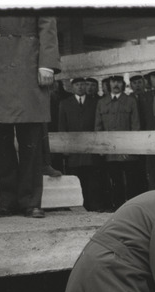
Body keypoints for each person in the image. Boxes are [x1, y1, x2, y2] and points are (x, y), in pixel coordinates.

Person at [0, 16, 61, 218]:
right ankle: (7, 201)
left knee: (30, 137)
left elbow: (47, 20)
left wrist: (47, 63)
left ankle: (31, 202)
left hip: (27, 61)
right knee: (0, 139)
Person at [58, 77, 109, 211]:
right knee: (76, 177)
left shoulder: (95, 102)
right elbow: (62, 127)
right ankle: (78, 205)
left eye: (82, 85)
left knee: (93, 178)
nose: (80, 87)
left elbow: (99, 124)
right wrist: (65, 148)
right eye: (77, 85)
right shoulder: (65, 103)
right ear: (72, 87)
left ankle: (94, 206)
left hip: (91, 147)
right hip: (74, 149)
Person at [95, 75, 144, 209]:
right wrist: (101, 148)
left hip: (127, 150)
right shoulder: (102, 103)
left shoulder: (130, 101)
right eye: (113, 82)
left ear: (123, 84)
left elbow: (135, 125)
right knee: (114, 179)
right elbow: (98, 127)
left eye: (118, 82)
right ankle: (118, 207)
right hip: (110, 150)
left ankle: (133, 208)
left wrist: (132, 149)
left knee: (131, 180)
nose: (116, 84)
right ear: (109, 84)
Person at [138, 70, 155, 190]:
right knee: (152, 171)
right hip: (150, 140)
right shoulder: (143, 97)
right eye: (154, 77)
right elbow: (141, 120)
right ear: (149, 80)